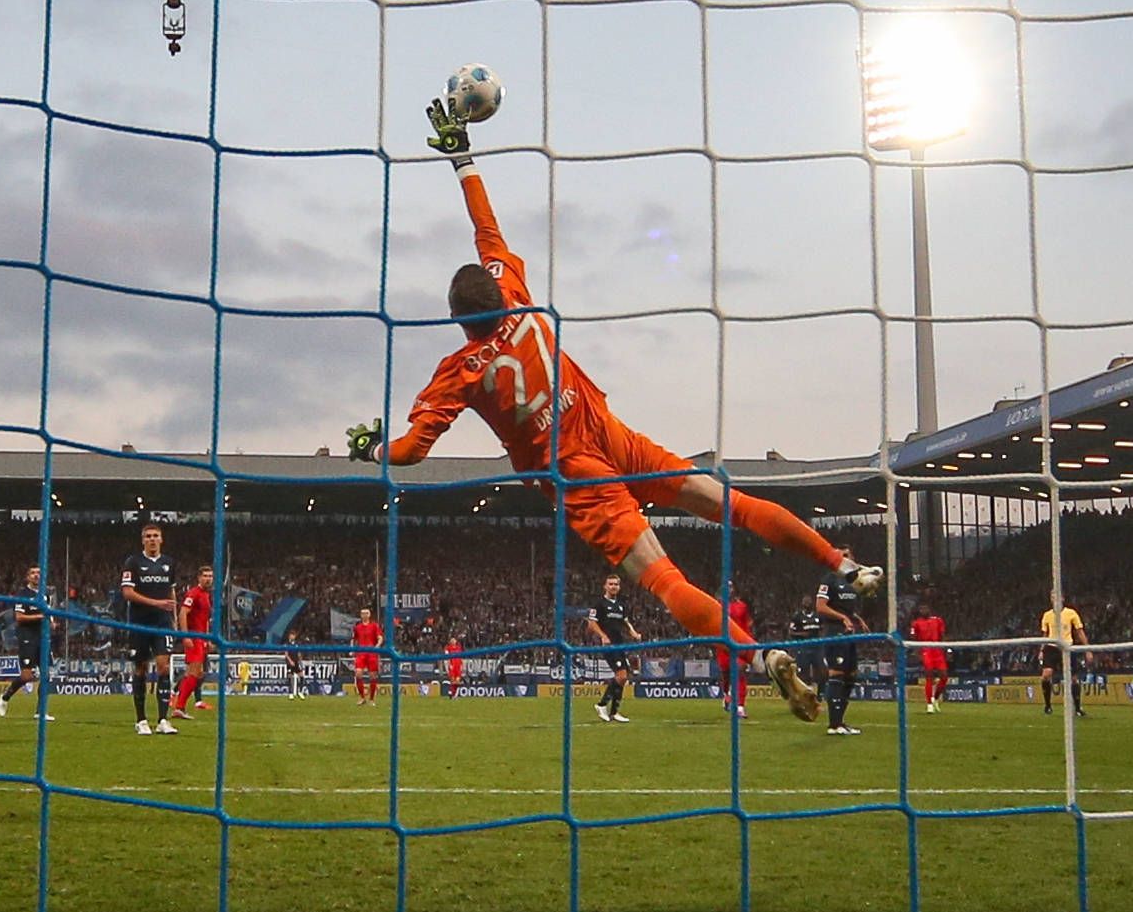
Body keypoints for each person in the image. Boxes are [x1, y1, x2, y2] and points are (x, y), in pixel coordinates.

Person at [344, 107, 884, 723]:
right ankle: (845, 564)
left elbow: (412, 453)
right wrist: (462, 158)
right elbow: (487, 230)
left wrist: (372, 448)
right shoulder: (520, 300)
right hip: (609, 434)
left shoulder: (460, 371)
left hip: (575, 479)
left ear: (460, 322)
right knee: (729, 504)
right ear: (500, 293)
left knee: (665, 580)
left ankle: (761, 660)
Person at [121, 523, 179, 735]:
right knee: (141, 669)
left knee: (164, 667)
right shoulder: (133, 562)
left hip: (162, 623)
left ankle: (163, 719)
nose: (152, 539)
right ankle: (141, 720)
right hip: (139, 622)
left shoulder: (169, 563)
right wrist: (156, 603)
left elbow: (171, 593)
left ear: (161, 539)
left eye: (156, 536)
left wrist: (175, 621)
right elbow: (127, 593)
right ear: (143, 540)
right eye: (148, 536)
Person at [817, 547, 870, 736]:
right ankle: (833, 725)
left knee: (851, 675)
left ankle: (840, 721)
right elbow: (821, 607)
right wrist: (841, 618)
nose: (846, 558)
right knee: (837, 675)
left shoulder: (852, 582)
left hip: (850, 632)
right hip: (835, 632)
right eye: (843, 555)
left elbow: (847, 608)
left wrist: (856, 618)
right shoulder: (829, 579)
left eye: (849, 555)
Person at [0, 564, 56, 721]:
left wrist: (51, 622)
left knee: (45, 676)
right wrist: (39, 618)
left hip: (43, 638)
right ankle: (5, 697)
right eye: (33, 573)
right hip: (27, 636)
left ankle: (40, 711)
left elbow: (48, 613)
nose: (36, 575)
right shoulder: (23, 594)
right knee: (26, 676)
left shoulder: (46, 595)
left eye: (38, 573)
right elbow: (19, 617)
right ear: (27, 577)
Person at [587, 573, 641, 723]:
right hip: (609, 645)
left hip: (620, 644)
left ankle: (615, 712)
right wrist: (603, 636)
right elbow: (591, 623)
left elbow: (625, 622)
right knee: (621, 676)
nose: (613, 587)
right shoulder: (599, 604)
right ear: (605, 586)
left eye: (616, 584)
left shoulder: (621, 605)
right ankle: (601, 704)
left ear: (619, 587)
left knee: (623, 679)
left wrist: (634, 633)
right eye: (610, 584)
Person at [170, 565, 214, 718]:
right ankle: (179, 706)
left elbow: (205, 619)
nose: (208, 579)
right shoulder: (194, 593)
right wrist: (185, 636)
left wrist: (208, 638)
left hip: (201, 638)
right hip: (194, 637)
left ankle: (176, 701)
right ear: (199, 578)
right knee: (194, 672)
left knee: (196, 673)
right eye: (206, 576)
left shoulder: (206, 595)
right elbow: (183, 613)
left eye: (210, 576)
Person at [1039, 595, 1094, 718]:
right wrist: (1042, 650)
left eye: (1057, 597)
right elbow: (1045, 634)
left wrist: (1087, 649)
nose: (1055, 600)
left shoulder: (1071, 613)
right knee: (1046, 675)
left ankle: (1078, 708)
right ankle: (1048, 705)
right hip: (1052, 647)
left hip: (1067, 647)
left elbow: (1079, 631)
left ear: (1062, 599)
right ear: (1050, 599)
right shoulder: (1047, 615)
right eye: (1053, 597)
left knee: (1073, 678)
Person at [716, 583, 755, 718]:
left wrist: (749, 643)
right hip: (723, 644)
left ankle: (740, 706)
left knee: (740, 672)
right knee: (725, 675)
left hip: (739, 645)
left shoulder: (742, 606)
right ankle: (726, 694)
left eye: (731, 587)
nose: (729, 590)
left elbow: (747, 626)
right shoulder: (718, 606)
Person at [909, 602, 948, 714]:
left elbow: (942, 635)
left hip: (937, 650)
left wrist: (945, 649)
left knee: (944, 677)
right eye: (921, 609)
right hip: (926, 650)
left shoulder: (937, 620)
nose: (924, 610)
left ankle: (935, 698)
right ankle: (929, 704)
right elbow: (913, 638)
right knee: (929, 676)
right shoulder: (916, 623)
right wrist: (918, 652)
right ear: (919, 612)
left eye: (925, 608)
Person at [788, 593, 825, 692]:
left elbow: (822, 628)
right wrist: (802, 634)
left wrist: (821, 637)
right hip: (803, 647)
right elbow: (791, 631)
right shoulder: (797, 616)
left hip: (817, 647)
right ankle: (804, 692)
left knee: (821, 671)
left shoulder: (817, 616)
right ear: (802, 603)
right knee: (803, 672)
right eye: (805, 602)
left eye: (809, 602)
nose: (807, 603)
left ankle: (820, 693)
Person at [352, 607, 384, 706]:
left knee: (373, 676)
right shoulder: (357, 627)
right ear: (361, 615)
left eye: (366, 613)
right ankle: (362, 697)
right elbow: (353, 639)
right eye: (362, 613)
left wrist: (376, 647)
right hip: (361, 653)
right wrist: (352, 649)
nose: (364, 615)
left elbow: (380, 638)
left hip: (371, 653)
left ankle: (371, 699)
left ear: (369, 615)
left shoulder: (374, 626)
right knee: (358, 673)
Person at [284, 630, 307, 700]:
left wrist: (300, 661)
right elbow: (286, 654)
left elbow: (299, 653)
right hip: (290, 663)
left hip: (296, 662)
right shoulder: (287, 644)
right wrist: (290, 661)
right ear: (289, 636)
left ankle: (300, 692)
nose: (292, 636)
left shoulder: (297, 644)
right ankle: (290, 693)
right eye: (291, 635)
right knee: (290, 677)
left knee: (302, 676)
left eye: (293, 635)